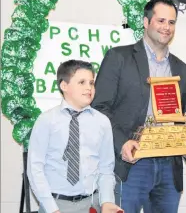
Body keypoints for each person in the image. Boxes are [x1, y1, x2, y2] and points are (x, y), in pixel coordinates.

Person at [91, 0, 186, 213]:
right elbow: (98, 109)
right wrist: (122, 143)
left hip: (169, 166)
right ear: (145, 22)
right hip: (131, 164)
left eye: (171, 22)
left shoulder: (183, 70)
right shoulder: (118, 57)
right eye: (161, 21)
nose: (166, 27)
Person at [27, 60, 123, 213]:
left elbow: (106, 168)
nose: (89, 88)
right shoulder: (46, 120)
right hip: (56, 204)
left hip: (92, 203)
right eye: (82, 82)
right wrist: (51, 208)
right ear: (64, 86)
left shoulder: (102, 122)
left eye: (91, 83)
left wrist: (107, 201)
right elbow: (35, 169)